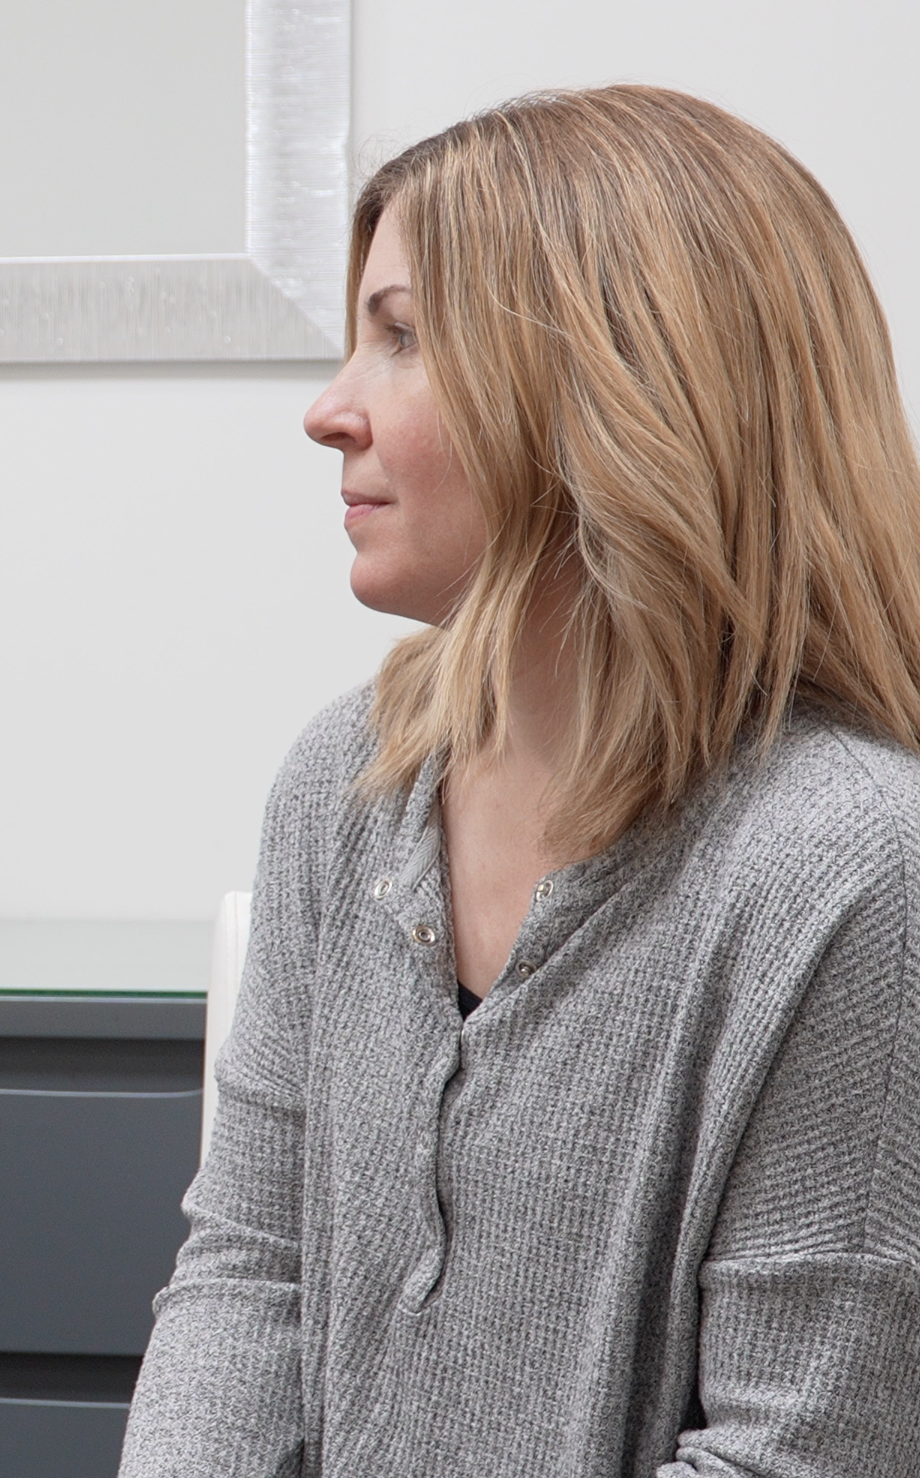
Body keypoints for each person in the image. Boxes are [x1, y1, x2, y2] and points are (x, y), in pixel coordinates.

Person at [121, 85, 920, 1475]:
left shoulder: (846, 870)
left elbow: (796, 1452)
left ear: (613, 391)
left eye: (403, 338)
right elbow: (248, 1273)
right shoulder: (349, 781)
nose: (326, 410)